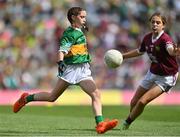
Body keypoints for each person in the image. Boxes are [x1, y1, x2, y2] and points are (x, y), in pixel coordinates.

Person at [13, 7, 118, 134]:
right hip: (71, 69)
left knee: (96, 94)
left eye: (85, 17)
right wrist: (60, 62)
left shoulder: (79, 30)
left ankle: (100, 125)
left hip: (83, 70)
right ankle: (26, 98)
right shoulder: (70, 33)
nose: (85, 19)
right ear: (73, 17)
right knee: (52, 97)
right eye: (82, 17)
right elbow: (62, 50)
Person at [121, 12, 180, 130]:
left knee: (142, 102)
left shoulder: (165, 39)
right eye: (153, 22)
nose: (155, 24)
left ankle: (127, 122)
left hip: (167, 76)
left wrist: (174, 51)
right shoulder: (147, 38)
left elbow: (170, 49)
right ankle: (130, 121)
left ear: (163, 25)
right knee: (134, 101)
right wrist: (123, 56)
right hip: (152, 72)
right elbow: (139, 51)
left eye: (158, 22)